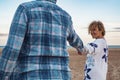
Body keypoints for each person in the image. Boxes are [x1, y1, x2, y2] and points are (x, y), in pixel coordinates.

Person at [0, 0, 84, 80]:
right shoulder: (66, 16)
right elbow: (75, 38)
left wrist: (3, 76)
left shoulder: (25, 9)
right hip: (62, 76)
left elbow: (12, 50)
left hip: (29, 76)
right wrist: (81, 48)